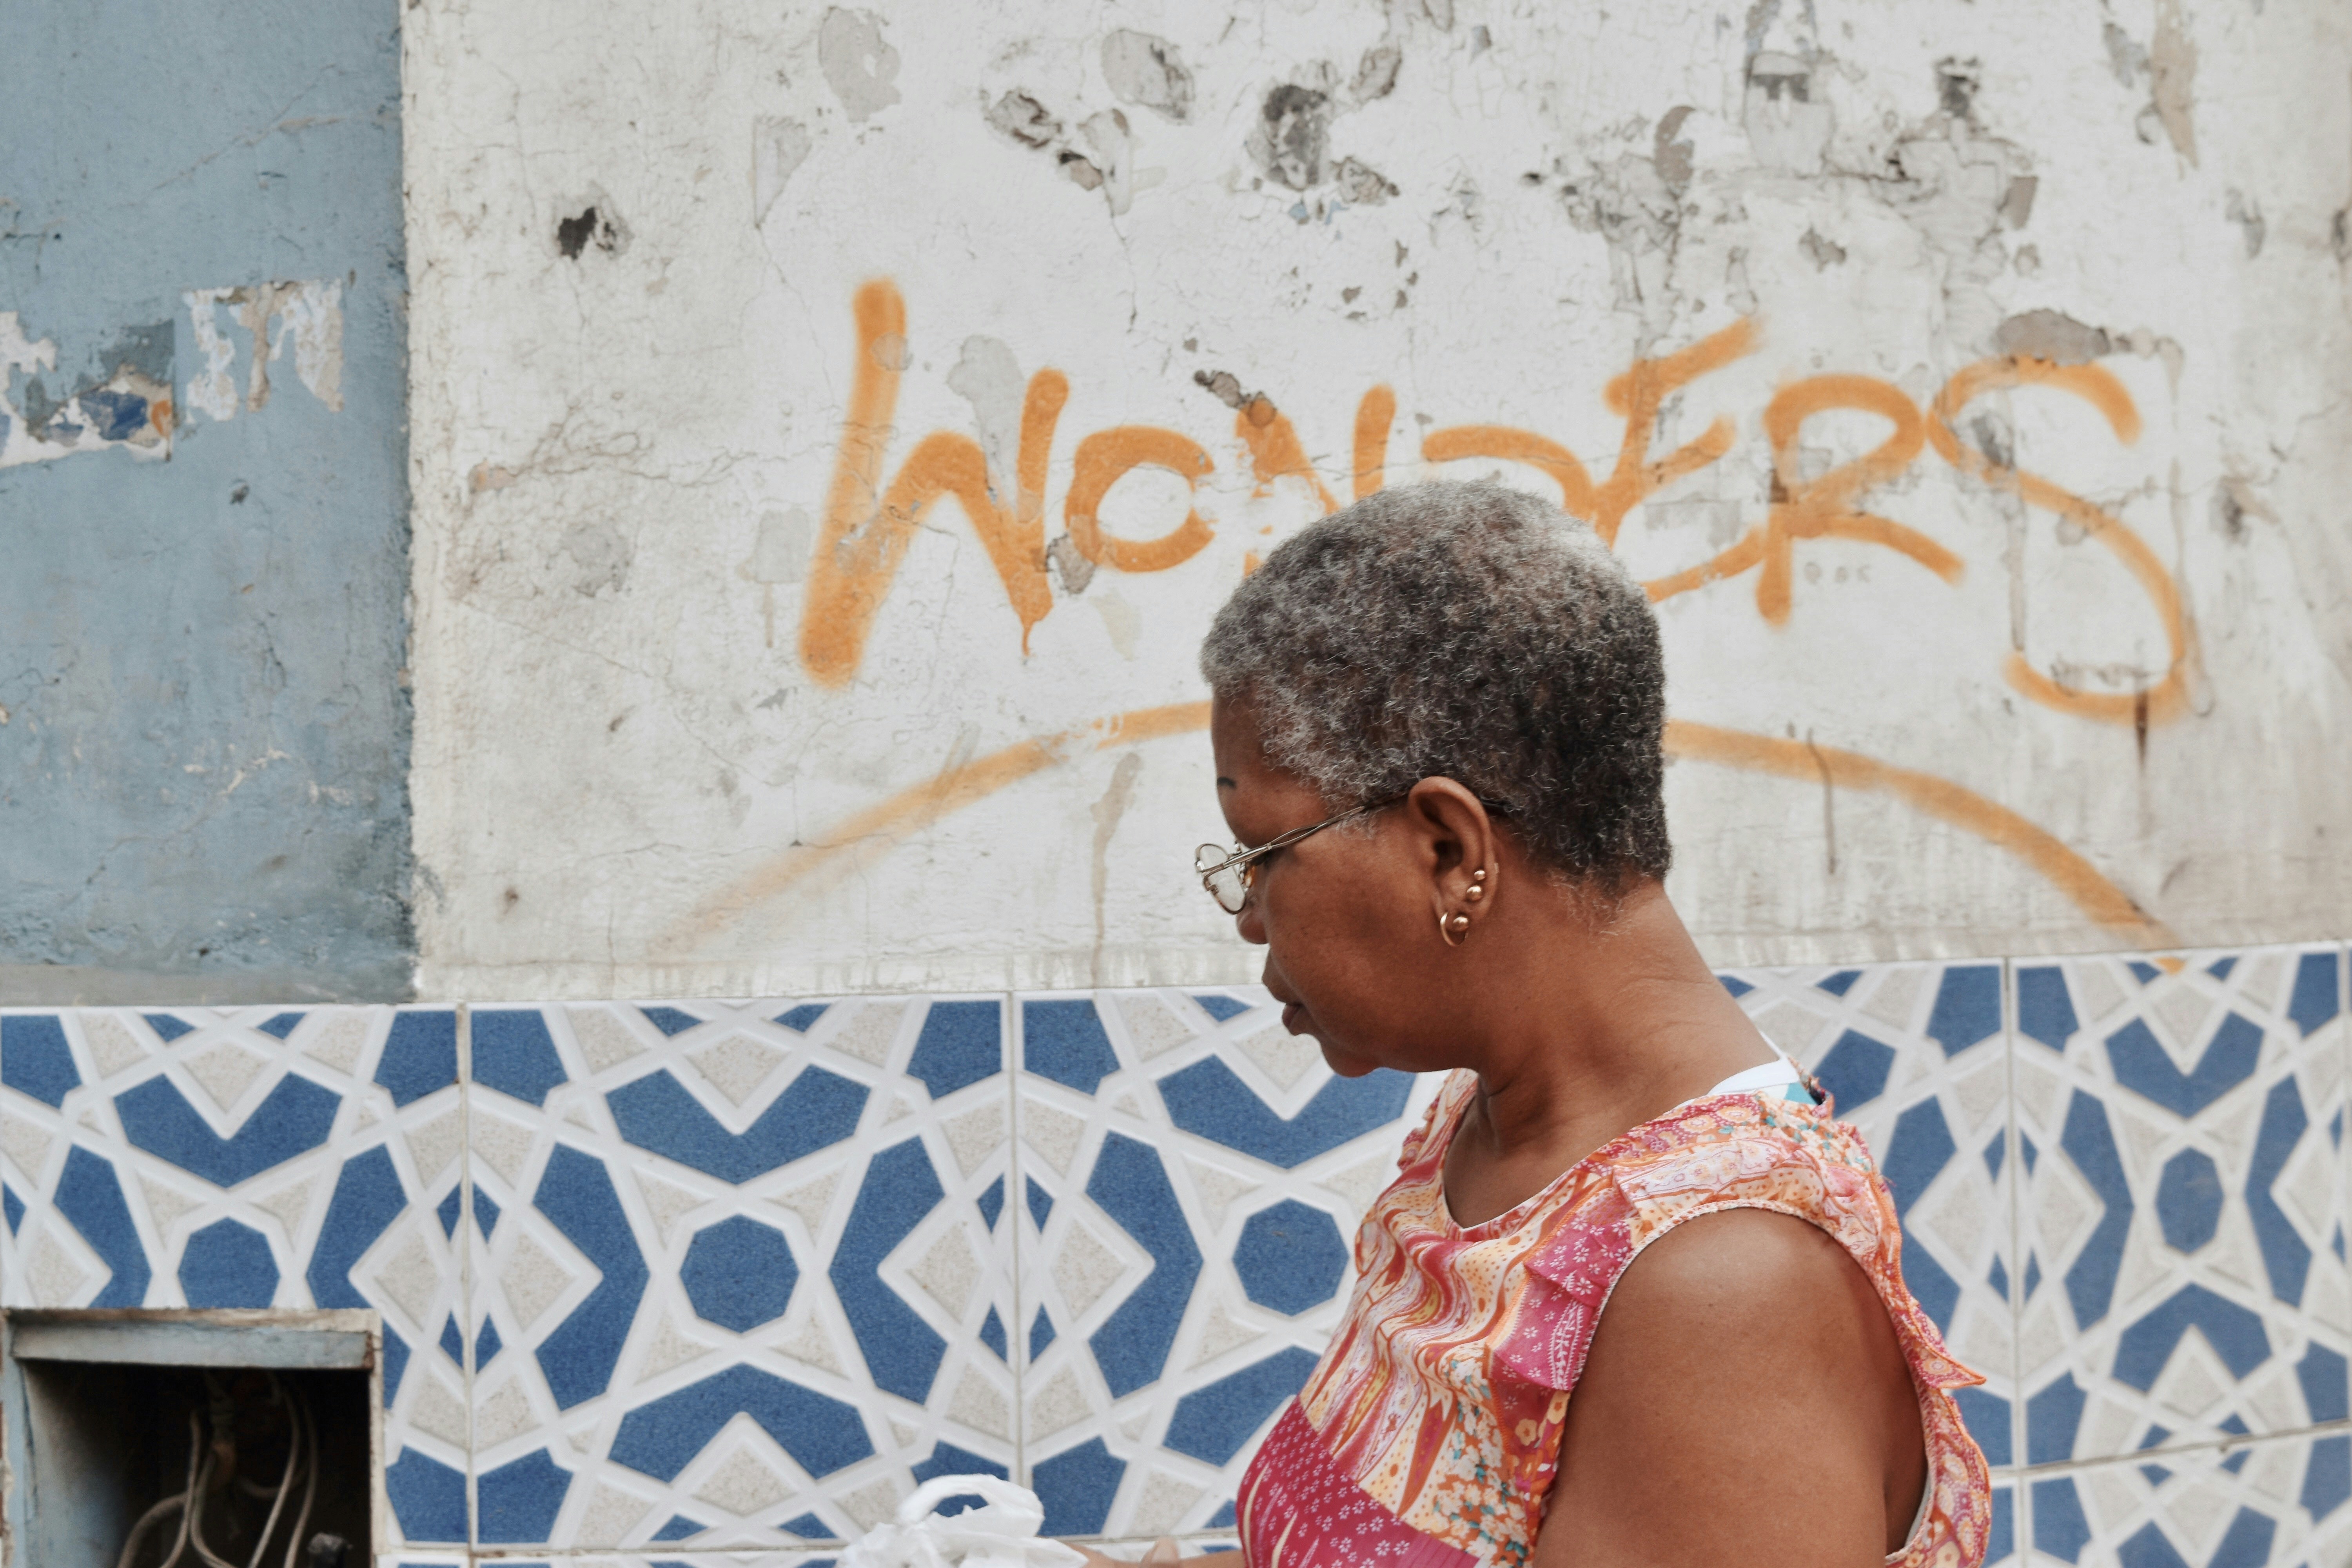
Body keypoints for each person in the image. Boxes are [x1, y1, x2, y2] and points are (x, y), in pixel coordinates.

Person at [1079, 481, 1990, 1568]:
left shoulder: (1719, 1288)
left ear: (1451, 850)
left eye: (1264, 855)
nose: (1248, 916)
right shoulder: (1489, 1134)